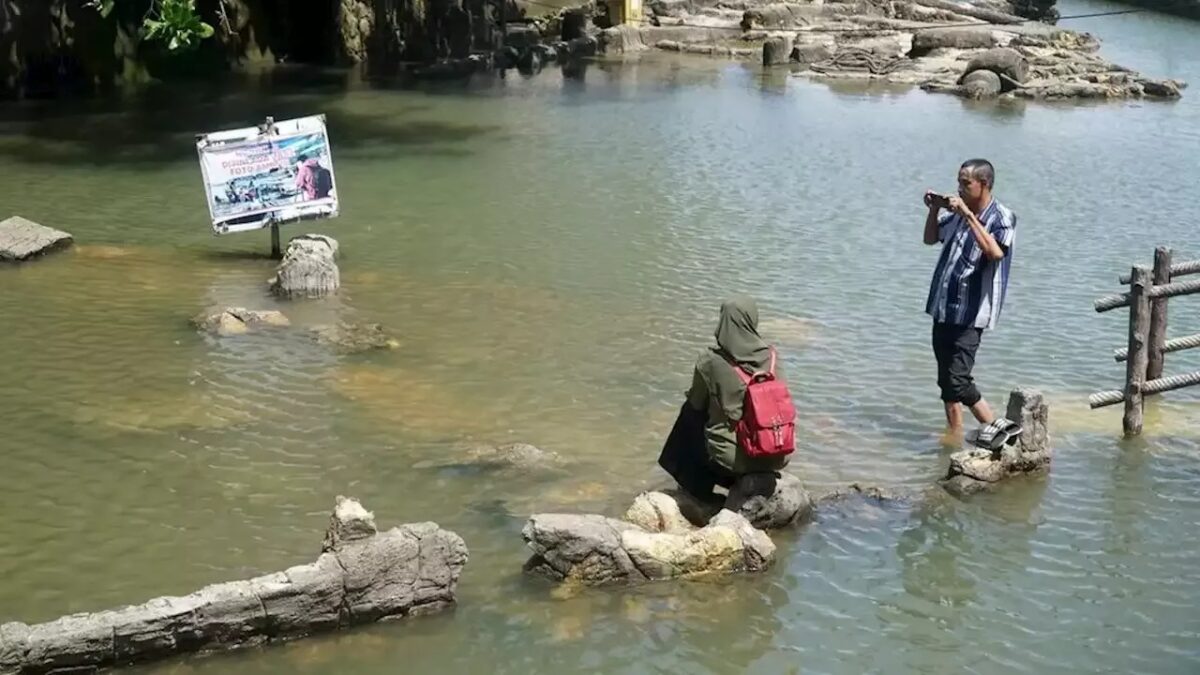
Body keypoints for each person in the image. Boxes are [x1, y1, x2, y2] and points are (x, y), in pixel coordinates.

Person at [659, 295, 791, 501]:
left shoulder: (711, 361)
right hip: (776, 455)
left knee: (690, 415)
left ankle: (696, 492)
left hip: (731, 464)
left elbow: (696, 404)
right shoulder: (773, 358)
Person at [922, 158, 1017, 442]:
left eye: (966, 183)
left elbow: (995, 252)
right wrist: (934, 209)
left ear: (983, 184)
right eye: (959, 183)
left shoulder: (1002, 217)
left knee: (959, 380)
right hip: (943, 308)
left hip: (971, 313)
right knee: (946, 381)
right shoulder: (956, 213)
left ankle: (1002, 432)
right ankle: (954, 435)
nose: (960, 189)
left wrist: (968, 216)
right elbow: (930, 238)